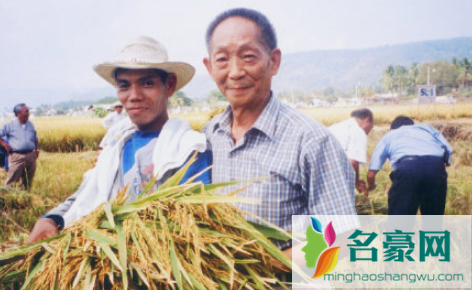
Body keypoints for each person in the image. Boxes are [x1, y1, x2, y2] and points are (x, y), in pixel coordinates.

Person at [202, 8, 356, 260]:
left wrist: (262, 264)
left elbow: (339, 239)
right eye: (222, 60)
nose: (235, 71)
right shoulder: (209, 136)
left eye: (248, 56)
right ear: (209, 67)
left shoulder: (310, 140)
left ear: (274, 61)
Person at [27, 37, 212, 243]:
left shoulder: (189, 149)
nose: (134, 95)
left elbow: (191, 226)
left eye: (147, 83)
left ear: (169, 85)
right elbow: (85, 195)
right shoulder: (116, 146)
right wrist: (51, 219)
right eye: (124, 86)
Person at [367, 116, 453, 215]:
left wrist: (371, 185)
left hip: (408, 168)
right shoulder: (425, 129)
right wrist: (444, 163)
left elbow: (372, 171)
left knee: (401, 220)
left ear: (391, 129)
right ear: (413, 125)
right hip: (435, 167)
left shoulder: (390, 135)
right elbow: (448, 148)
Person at [329, 108, 374, 195]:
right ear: (367, 120)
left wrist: (355, 180)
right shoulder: (358, 131)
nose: (368, 133)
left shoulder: (336, 126)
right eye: (370, 129)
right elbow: (353, 162)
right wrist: (356, 183)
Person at [0, 104, 39, 190]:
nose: (28, 113)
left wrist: (37, 150)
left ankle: (25, 198)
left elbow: (36, 138)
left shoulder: (30, 124)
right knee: (12, 181)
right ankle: (8, 199)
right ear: (18, 113)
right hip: (16, 156)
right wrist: (5, 145)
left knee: (28, 181)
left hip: (30, 156)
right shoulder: (9, 125)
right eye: (26, 111)